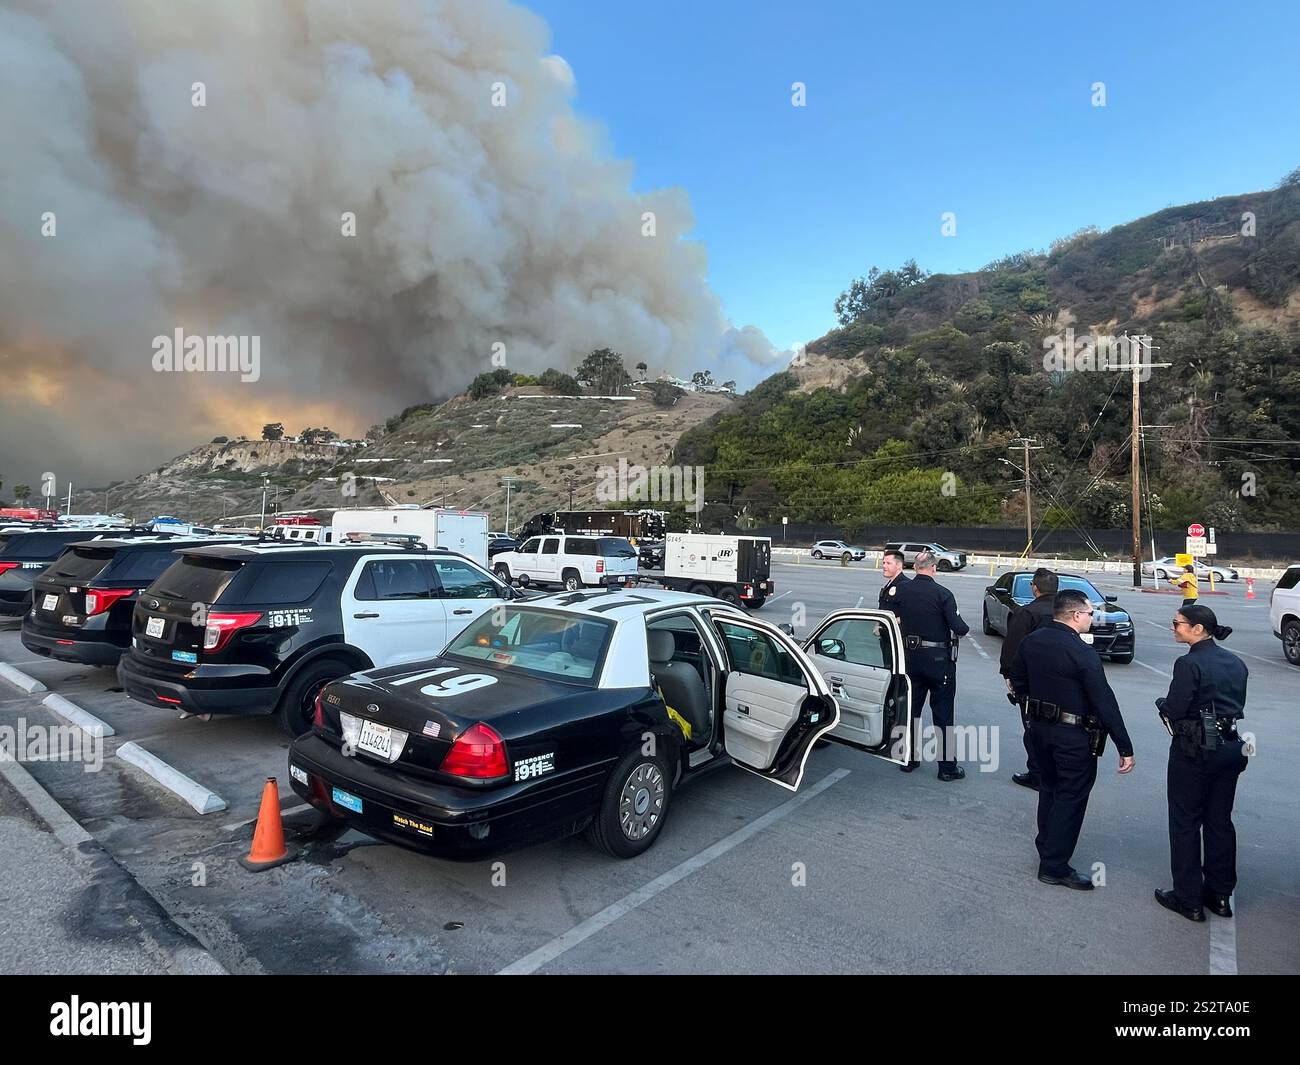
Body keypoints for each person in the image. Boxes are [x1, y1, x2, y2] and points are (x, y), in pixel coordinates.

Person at [1009, 590, 1135, 890]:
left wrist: (1033, 710)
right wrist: (1124, 746)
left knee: (1049, 789)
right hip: (1072, 735)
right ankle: (1054, 866)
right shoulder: (1081, 651)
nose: (1092, 618)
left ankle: (1047, 845)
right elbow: (1104, 701)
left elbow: (1018, 678)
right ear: (1076, 615)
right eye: (1090, 613)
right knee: (1071, 796)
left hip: (1039, 730)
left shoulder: (1032, 641)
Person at [1154, 605, 1248, 923]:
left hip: (1195, 748)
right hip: (1232, 746)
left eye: (1177, 624)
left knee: (1185, 821)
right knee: (1220, 821)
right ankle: (1220, 896)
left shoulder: (1189, 663)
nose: (1173, 628)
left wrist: (1162, 705)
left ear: (1198, 629)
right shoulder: (1236, 662)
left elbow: (1177, 708)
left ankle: (1188, 899)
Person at [893, 549, 968, 780]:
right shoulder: (942, 594)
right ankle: (946, 769)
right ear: (934, 568)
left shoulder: (901, 591)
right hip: (938, 661)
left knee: (910, 712)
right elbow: (961, 628)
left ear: (915, 568)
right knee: (943, 714)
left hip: (909, 659)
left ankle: (909, 759)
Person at [998, 568, 1058, 791]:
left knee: (1032, 729)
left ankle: (1037, 774)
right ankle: (1053, 770)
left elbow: (1012, 647)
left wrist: (1008, 675)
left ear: (1035, 587)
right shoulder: (1066, 613)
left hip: (1032, 683)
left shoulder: (1027, 613)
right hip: (1062, 682)